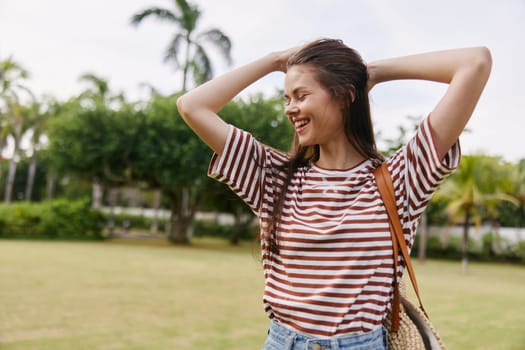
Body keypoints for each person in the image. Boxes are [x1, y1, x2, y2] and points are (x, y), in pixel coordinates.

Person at [176, 39, 491, 349]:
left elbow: (475, 62)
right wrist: (274, 60)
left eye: (301, 95)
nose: (290, 109)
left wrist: (374, 72)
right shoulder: (274, 177)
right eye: (286, 98)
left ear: (345, 97)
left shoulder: (400, 179)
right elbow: (191, 106)